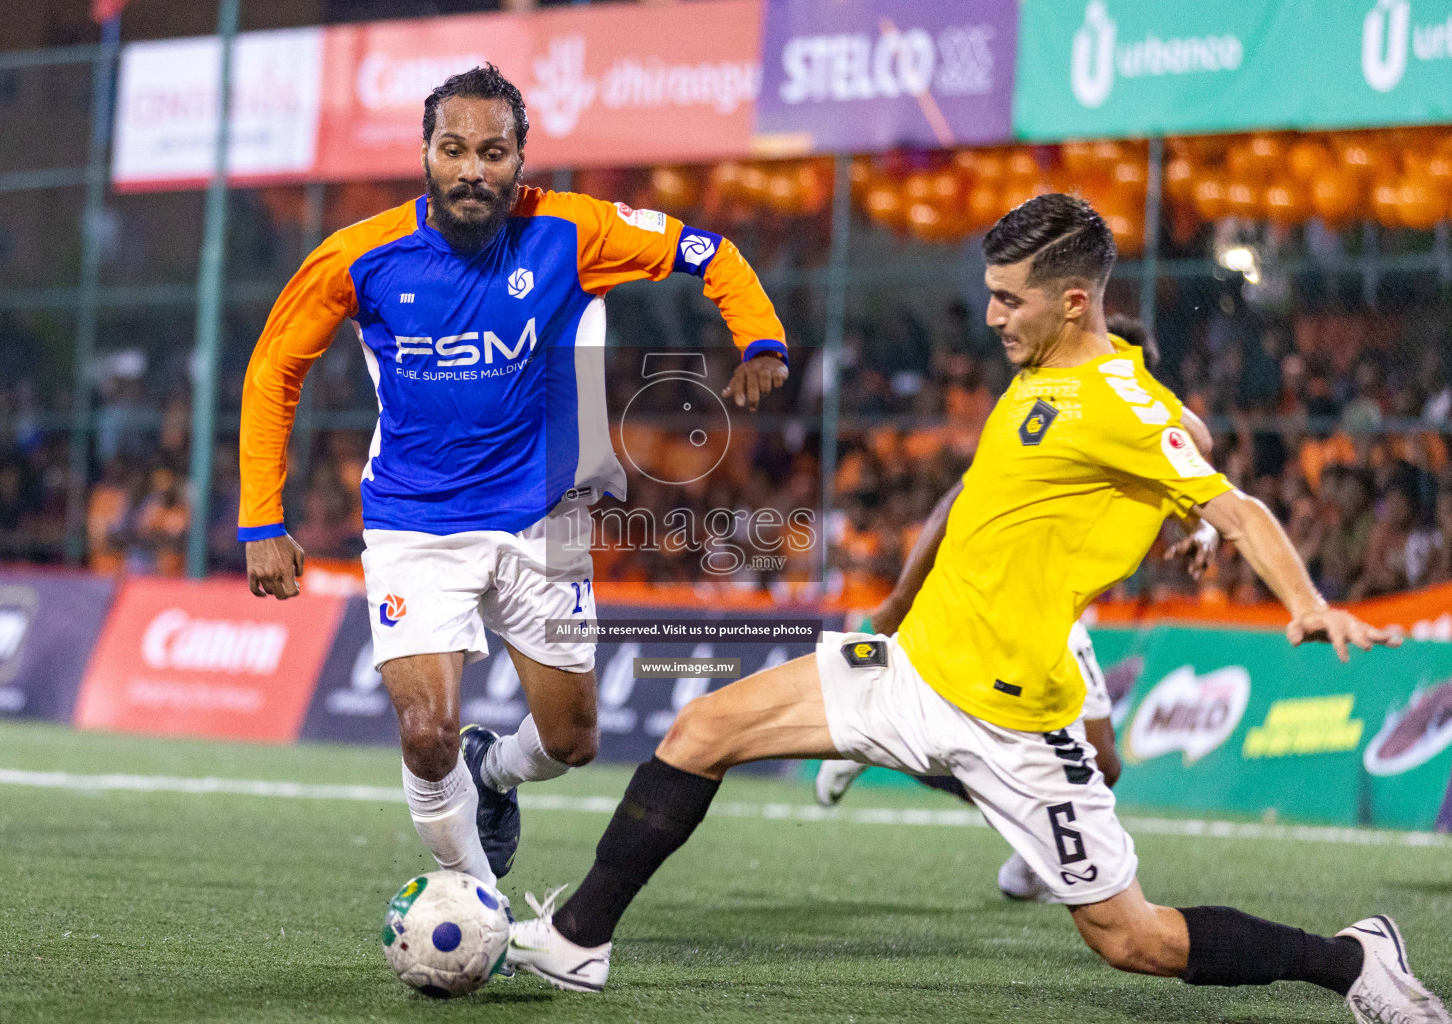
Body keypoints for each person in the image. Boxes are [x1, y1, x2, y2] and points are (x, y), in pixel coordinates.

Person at [505, 194, 1446, 1024]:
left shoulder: (1114, 398)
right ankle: (579, 939)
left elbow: (1230, 498)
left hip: (1013, 721)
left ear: (1074, 300)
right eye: (991, 292)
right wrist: (1177, 505)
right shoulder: (1050, 365)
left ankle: (1350, 958)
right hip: (913, 669)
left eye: (1010, 299)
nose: (991, 315)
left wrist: (1302, 595)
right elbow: (1185, 444)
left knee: (1134, 940)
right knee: (703, 727)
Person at [238, 65, 789, 900]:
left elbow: (706, 251)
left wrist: (761, 340)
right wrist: (260, 520)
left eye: (492, 152)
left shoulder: (575, 230)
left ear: (519, 158)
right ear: (425, 153)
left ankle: (492, 772)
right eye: (453, 149)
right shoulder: (360, 256)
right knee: (426, 732)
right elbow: (275, 367)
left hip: (545, 519)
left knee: (572, 741)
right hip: (415, 523)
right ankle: (474, 901)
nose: (471, 170)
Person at [814, 337, 1220, 901]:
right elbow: (955, 501)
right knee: (1017, 758)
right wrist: (899, 601)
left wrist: (1203, 527)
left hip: (1060, 611)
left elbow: (1194, 472)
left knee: (1101, 767)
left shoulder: (1134, 430)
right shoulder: (1066, 417)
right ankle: (873, 748)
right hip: (1008, 603)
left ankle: (1028, 863)